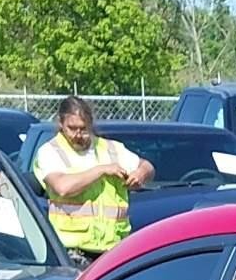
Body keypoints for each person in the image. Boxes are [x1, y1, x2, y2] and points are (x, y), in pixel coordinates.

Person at [32, 96, 152, 258]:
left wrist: (140, 174)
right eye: (72, 128)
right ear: (60, 123)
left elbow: (147, 166)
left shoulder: (111, 148)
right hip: (73, 251)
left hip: (114, 248)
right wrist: (101, 170)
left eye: (83, 128)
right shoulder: (51, 152)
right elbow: (62, 187)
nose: (78, 135)